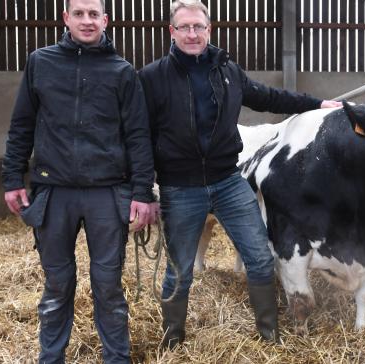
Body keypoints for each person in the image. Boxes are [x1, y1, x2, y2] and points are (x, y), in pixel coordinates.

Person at [138, 0, 341, 348]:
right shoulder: (152, 77)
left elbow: (269, 97)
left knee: (261, 258)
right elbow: (138, 137)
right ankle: (172, 342)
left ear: (209, 30)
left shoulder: (226, 69)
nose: (191, 33)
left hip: (228, 181)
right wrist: (143, 190)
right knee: (179, 269)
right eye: (184, 27)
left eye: (198, 27)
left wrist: (316, 104)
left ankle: (268, 337)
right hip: (180, 186)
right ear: (172, 32)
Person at [1, 0, 155, 362]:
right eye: (79, 14)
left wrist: (142, 192)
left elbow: (138, 136)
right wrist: (12, 177)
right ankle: (51, 357)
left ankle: (116, 357)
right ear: (66, 18)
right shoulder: (41, 62)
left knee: (108, 285)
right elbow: (22, 124)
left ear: (106, 19)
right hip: (54, 191)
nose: (87, 21)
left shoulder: (122, 71)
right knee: (57, 282)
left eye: (94, 14)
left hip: (107, 191)